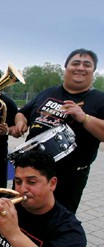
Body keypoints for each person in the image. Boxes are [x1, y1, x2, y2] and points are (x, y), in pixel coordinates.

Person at [13, 48, 104, 213]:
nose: (80, 68)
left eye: (87, 65)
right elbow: (22, 112)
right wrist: (20, 123)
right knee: (20, 215)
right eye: (75, 63)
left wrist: (84, 117)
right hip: (30, 172)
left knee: (56, 225)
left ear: (93, 70)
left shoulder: (99, 99)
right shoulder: (48, 92)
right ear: (66, 66)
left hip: (69, 178)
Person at [0, 151, 86, 246]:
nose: (22, 189)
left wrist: (13, 234)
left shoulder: (70, 231)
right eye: (18, 182)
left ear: (52, 183)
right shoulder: (8, 204)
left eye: (31, 182)